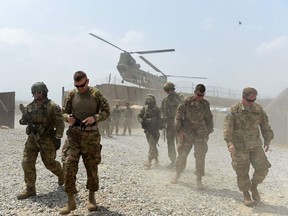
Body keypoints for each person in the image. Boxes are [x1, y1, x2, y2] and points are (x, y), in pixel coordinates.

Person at [60, 71, 110, 215]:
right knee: (68, 166)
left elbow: (107, 111)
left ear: (87, 81)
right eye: (77, 86)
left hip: (91, 136)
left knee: (92, 166)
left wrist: (95, 117)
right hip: (74, 135)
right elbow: (63, 112)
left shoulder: (96, 93)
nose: (79, 88)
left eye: (82, 85)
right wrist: (66, 118)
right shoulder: (71, 94)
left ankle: (92, 198)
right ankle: (70, 201)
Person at [223, 87, 274, 206]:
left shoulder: (258, 109)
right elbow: (227, 128)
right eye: (249, 100)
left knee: (263, 168)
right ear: (243, 98)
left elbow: (265, 125)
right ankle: (246, 194)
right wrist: (229, 143)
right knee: (242, 171)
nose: (252, 103)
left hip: (255, 144)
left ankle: (254, 186)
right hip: (239, 146)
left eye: (254, 100)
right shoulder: (234, 110)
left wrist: (267, 139)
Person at [17, 82, 65, 200]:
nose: (36, 95)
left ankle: (62, 174)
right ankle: (30, 189)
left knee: (49, 163)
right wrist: (24, 121)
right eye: (34, 93)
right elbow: (23, 120)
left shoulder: (53, 106)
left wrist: (58, 138)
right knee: (26, 162)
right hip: (32, 139)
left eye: (39, 92)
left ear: (44, 92)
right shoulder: (30, 107)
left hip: (47, 139)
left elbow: (60, 123)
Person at [171, 84, 213, 189]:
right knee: (182, 154)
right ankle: (177, 174)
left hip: (200, 133)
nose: (200, 97)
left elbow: (209, 118)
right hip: (187, 132)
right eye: (198, 94)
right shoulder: (186, 102)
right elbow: (178, 116)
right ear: (194, 92)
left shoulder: (205, 104)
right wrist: (179, 131)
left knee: (200, 157)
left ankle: (199, 179)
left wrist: (208, 132)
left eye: (202, 95)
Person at [161, 82, 184, 168]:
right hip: (169, 124)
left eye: (168, 90)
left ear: (172, 89)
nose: (167, 92)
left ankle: (180, 161)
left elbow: (185, 107)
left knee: (180, 143)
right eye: (166, 90)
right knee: (170, 143)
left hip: (178, 124)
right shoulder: (165, 100)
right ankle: (173, 160)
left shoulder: (180, 98)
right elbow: (162, 111)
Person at [138, 94, 164, 169]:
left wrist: (158, 123)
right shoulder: (144, 109)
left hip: (155, 131)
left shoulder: (157, 109)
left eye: (151, 103)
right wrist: (142, 121)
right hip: (148, 130)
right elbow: (139, 116)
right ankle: (156, 160)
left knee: (152, 144)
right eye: (148, 103)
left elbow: (161, 119)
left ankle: (149, 161)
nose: (149, 105)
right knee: (152, 145)